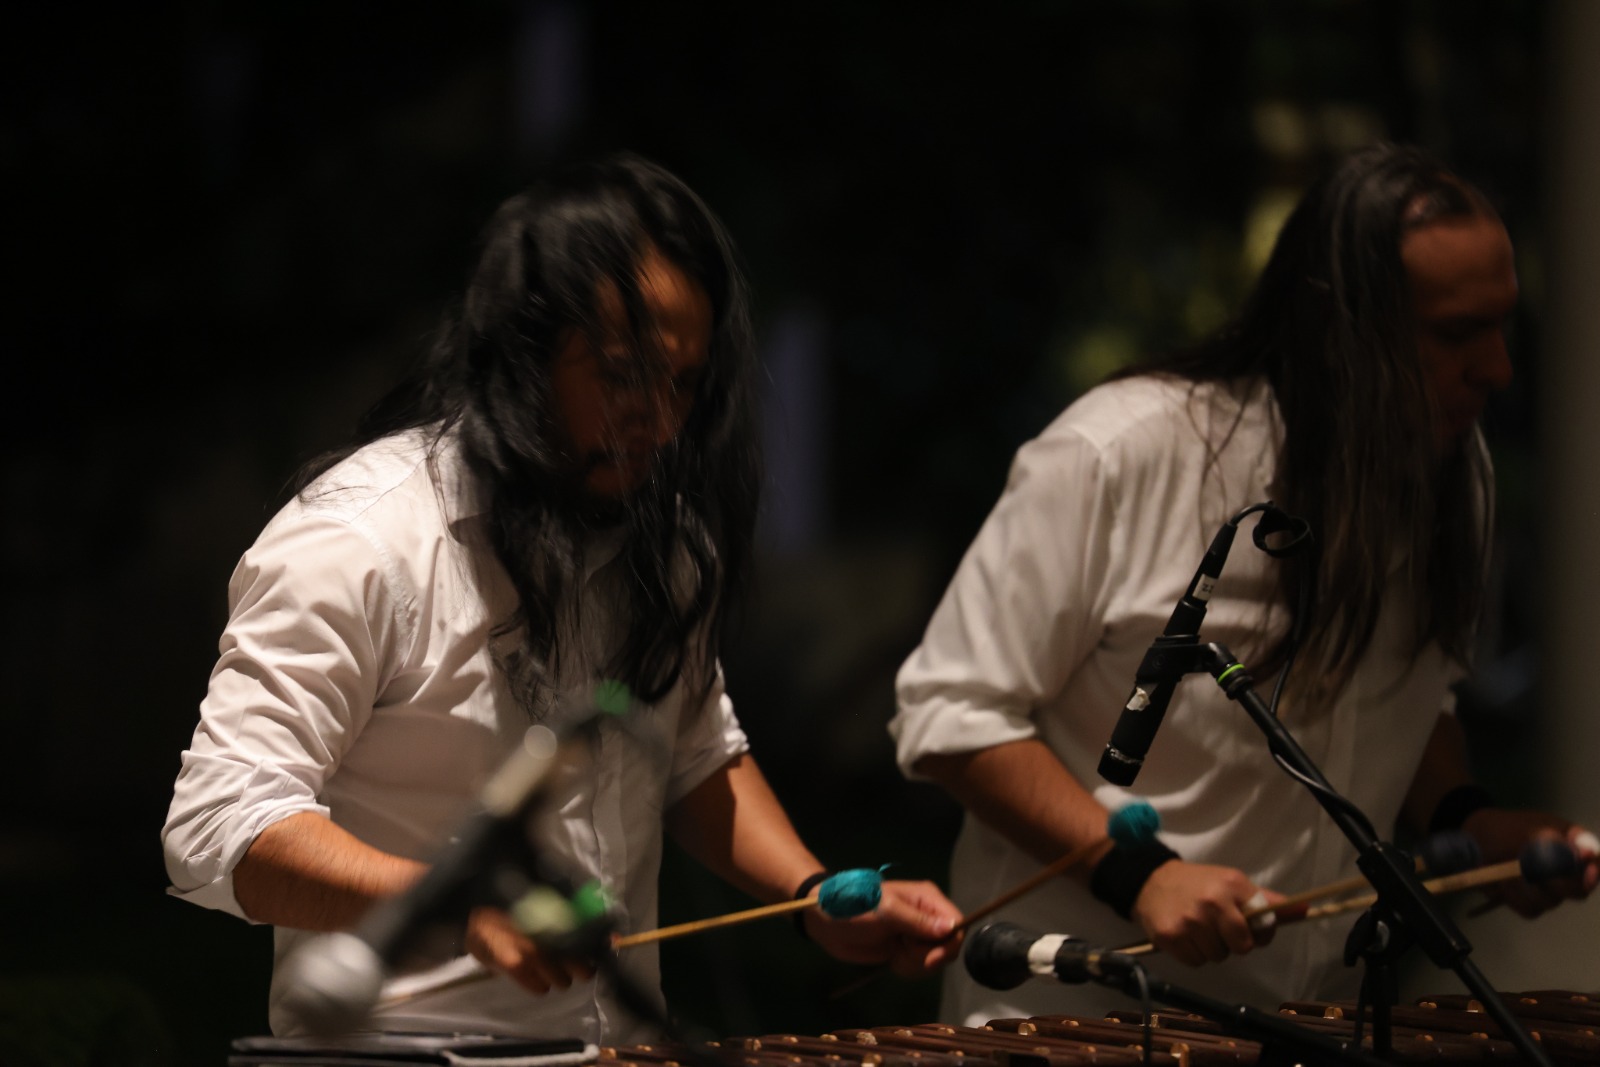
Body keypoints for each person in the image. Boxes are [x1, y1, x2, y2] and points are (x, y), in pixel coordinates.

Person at [163, 153, 961, 1045]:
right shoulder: (358, 541)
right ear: (521, 352)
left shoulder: (663, 542)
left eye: (684, 384)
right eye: (624, 374)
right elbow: (221, 824)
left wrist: (814, 895)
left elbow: (696, 753)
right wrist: (456, 902)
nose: (661, 421)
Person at [890, 142, 1598, 1024]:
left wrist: (1466, 817)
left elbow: (1402, 693)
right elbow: (950, 715)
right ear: (1343, 328)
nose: (1497, 367)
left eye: (1502, 325)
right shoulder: (1120, 451)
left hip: (1313, 1022)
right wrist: (1137, 873)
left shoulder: (1457, 474)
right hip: (1081, 1015)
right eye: (1458, 333)